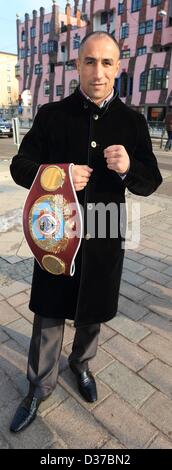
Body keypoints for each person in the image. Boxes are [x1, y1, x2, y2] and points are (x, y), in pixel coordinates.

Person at [9, 31, 162, 433]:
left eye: (107, 62)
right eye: (89, 62)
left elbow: (150, 181)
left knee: (92, 312)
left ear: (119, 67)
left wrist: (128, 167)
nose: (98, 71)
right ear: (77, 66)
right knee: (49, 315)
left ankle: (81, 365)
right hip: (55, 238)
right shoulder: (51, 115)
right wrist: (57, 174)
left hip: (104, 238)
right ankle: (38, 387)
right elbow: (19, 166)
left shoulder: (132, 122)